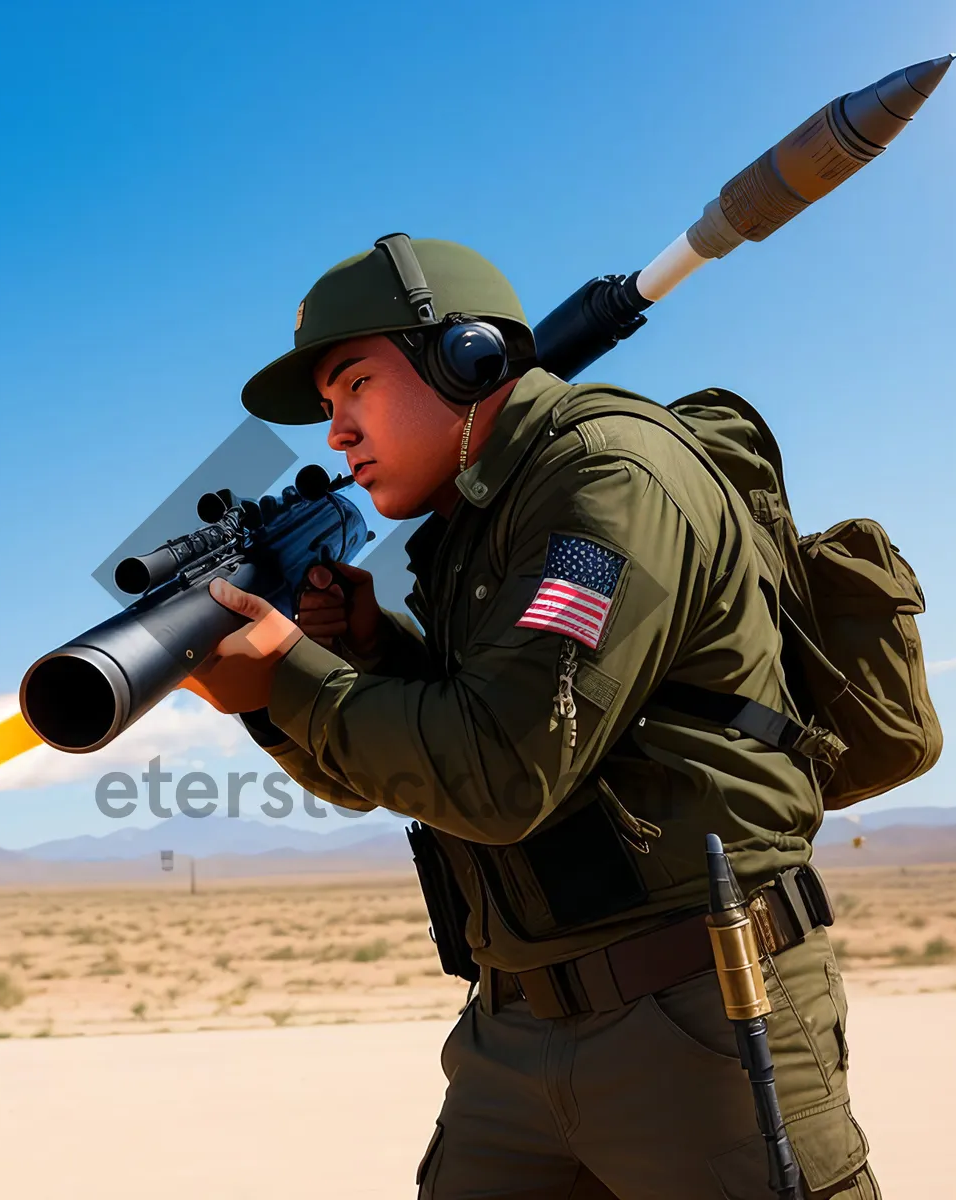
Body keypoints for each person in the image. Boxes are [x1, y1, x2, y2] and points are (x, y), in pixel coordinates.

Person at [181, 235, 879, 1198]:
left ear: (465, 356)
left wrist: (296, 681)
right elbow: (422, 772)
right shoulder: (478, 522)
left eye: (355, 388)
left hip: (700, 1015)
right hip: (517, 1028)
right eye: (330, 409)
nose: (335, 435)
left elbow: (503, 772)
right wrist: (331, 675)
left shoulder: (607, 487)